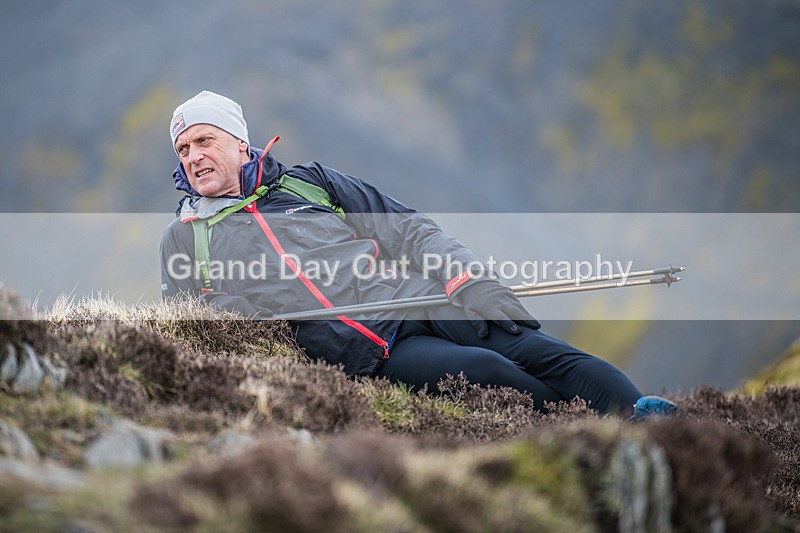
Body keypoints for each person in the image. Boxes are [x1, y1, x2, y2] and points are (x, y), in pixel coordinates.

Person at [159, 90, 678, 418]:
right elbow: (184, 320)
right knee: (487, 370)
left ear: (240, 144)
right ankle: (603, 430)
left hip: (419, 297)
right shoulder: (185, 238)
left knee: (534, 347)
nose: (194, 156)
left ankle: (649, 418)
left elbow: (407, 229)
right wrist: (228, 316)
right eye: (184, 150)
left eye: (205, 140)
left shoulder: (310, 183)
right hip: (365, 347)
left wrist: (467, 276)